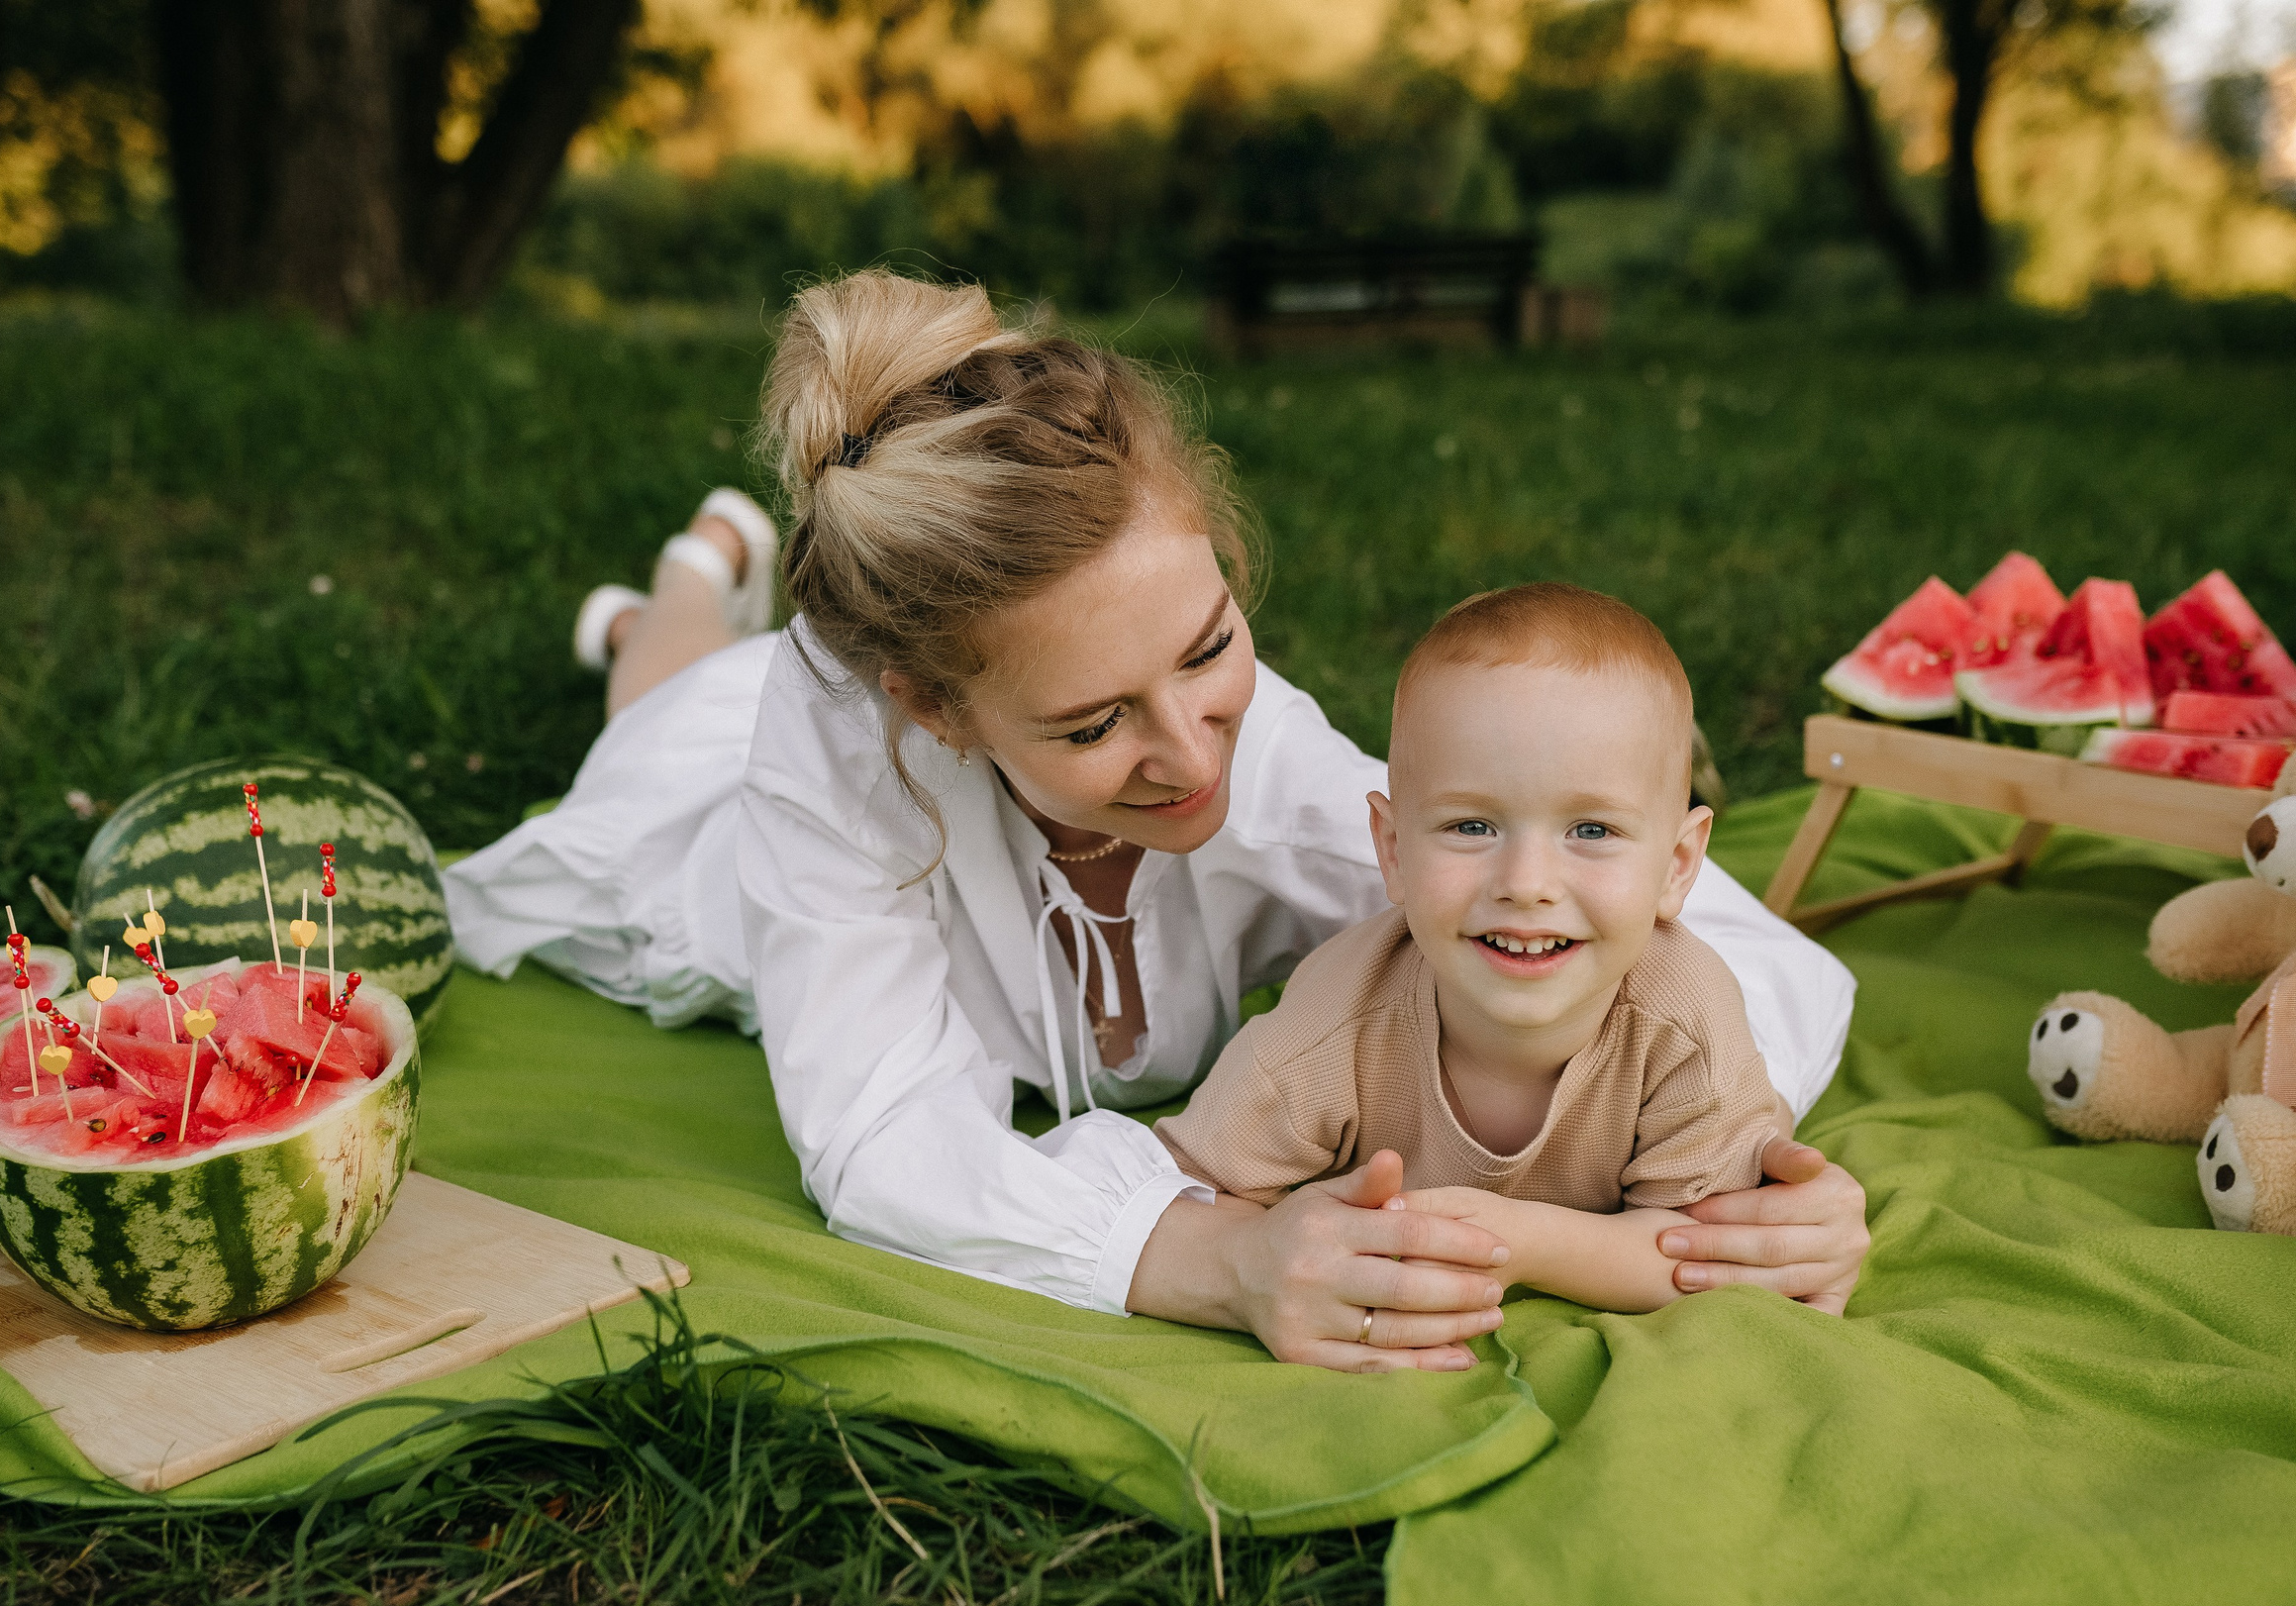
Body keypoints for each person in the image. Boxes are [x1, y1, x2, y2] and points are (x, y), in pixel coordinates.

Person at [443, 268, 1868, 1375]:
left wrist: (1769, 1198)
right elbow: (881, 1143)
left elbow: (1722, 949)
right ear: (936, 711)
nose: (1193, 756)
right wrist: (1226, 1262)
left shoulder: (1302, 781)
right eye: (1089, 724)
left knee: (688, 683)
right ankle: (687, 582)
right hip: (700, 836)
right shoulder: (839, 769)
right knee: (657, 719)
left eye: (1206, 647)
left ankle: (672, 598)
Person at [1158, 582, 1841, 1316]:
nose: (1527, 884)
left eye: (1591, 831)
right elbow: (1189, 1195)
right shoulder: (1333, 1022)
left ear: (1677, 866)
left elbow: (1703, 1254)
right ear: (1391, 849)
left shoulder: (1687, 1021)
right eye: (1472, 826)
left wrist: (1519, 1241)